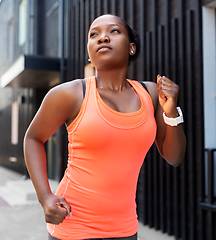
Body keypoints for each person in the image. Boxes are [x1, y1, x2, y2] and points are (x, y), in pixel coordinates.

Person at [24, 14, 186, 240]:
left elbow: (174, 157)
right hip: (72, 225)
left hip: (125, 229)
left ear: (131, 48)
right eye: (94, 34)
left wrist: (171, 112)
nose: (102, 38)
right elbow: (33, 138)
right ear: (89, 50)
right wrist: (45, 197)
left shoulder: (150, 94)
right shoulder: (70, 94)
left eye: (114, 31)